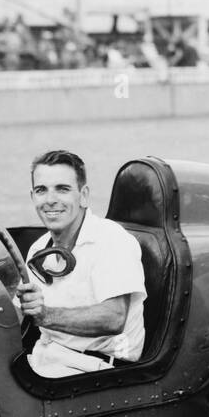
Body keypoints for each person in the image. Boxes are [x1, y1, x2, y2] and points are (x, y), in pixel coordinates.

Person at [17, 149, 146, 378]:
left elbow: (113, 317)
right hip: (45, 359)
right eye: (41, 190)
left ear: (84, 195)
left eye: (63, 189)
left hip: (97, 371)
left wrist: (45, 315)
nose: (50, 200)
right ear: (32, 197)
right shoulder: (39, 249)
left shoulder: (111, 239)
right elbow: (16, 314)